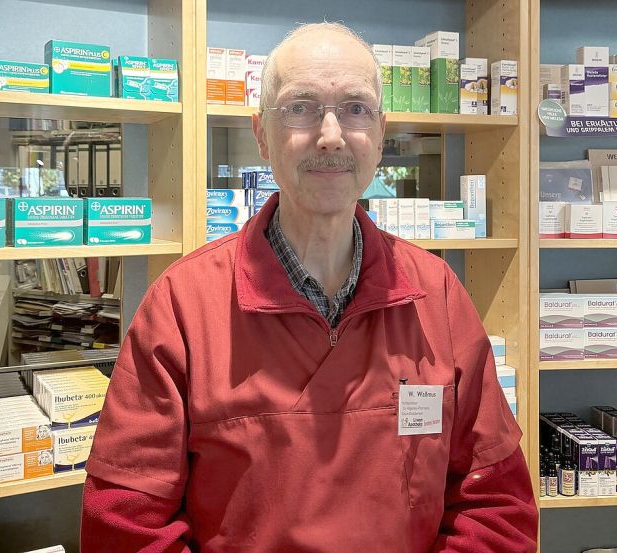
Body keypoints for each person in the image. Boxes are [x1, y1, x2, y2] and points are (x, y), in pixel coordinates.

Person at [81, 22, 538, 552]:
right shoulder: (182, 307)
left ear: (381, 133)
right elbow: (126, 526)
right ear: (260, 135)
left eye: (355, 108)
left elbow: (497, 508)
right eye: (300, 108)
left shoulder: (436, 294)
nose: (330, 135)